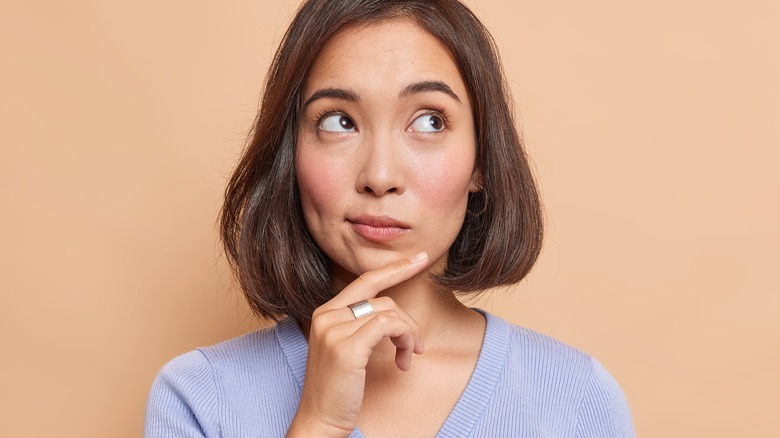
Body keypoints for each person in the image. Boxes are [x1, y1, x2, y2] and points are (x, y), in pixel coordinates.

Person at [144, 0, 635, 436]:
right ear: (290, 155)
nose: (380, 176)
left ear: (480, 161)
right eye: (339, 121)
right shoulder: (198, 399)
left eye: (429, 121)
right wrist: (319, 424)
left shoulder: (576, 400)